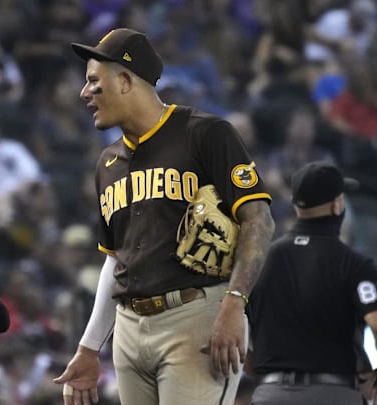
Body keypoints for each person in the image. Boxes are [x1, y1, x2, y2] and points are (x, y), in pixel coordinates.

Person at [53, 28, 275, 405]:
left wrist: (234, 303)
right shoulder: (106, 163)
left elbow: (259, 220)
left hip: (194, 318)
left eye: (93, 81)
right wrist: (90, 347)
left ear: (125, 80)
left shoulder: (205, 134)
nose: (84, 93)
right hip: (128, 328)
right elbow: (114, 260)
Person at [247, 160, 377, 405]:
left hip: (271, 394)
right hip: (333, 393)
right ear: (338, 205)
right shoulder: (353, 264)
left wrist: (260, 372)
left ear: (296, 206)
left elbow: (237, 328)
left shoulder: (259, 262)